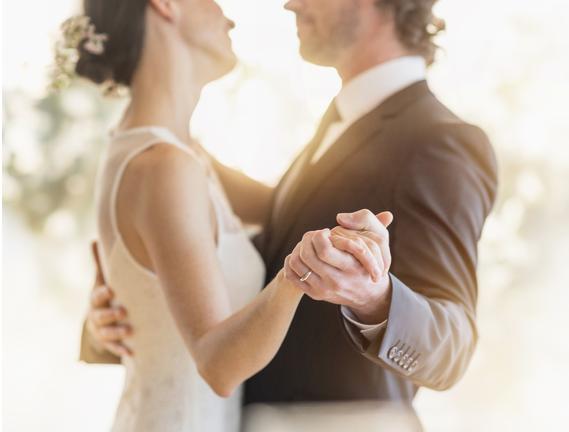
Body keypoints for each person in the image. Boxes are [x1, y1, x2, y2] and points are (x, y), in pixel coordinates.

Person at [84, 0, 497, 418]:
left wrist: (377, 299)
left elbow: (454, 347)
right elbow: (228, 250)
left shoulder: (441, 143)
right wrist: (129, 307)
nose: (290, 3)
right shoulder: (324, 131)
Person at [64, 0, 390, 430]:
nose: (229, 16)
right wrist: (296, 276)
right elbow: (219, 366)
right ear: (165, 6)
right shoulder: (165, 166)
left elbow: (287, 212)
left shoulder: (176, 154)